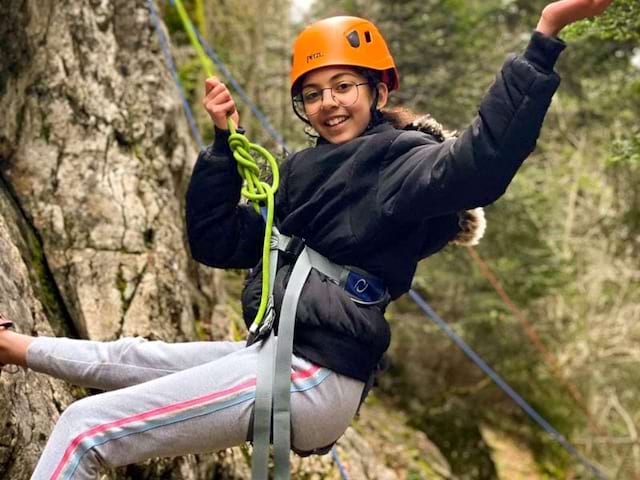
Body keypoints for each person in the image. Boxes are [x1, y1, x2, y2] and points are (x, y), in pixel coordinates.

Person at [0, 1, 615, 477]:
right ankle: (14, 347)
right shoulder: (300, 172)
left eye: (345, 86)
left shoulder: (402, 162)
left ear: (380, 91)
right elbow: (216, 241)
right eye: (313, 94)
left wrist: (545, 34)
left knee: (84, 428)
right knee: (135, 357)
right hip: (279, 353)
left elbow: (483, 162)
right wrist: (222, 147)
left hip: (313, 373)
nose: (328, 104)